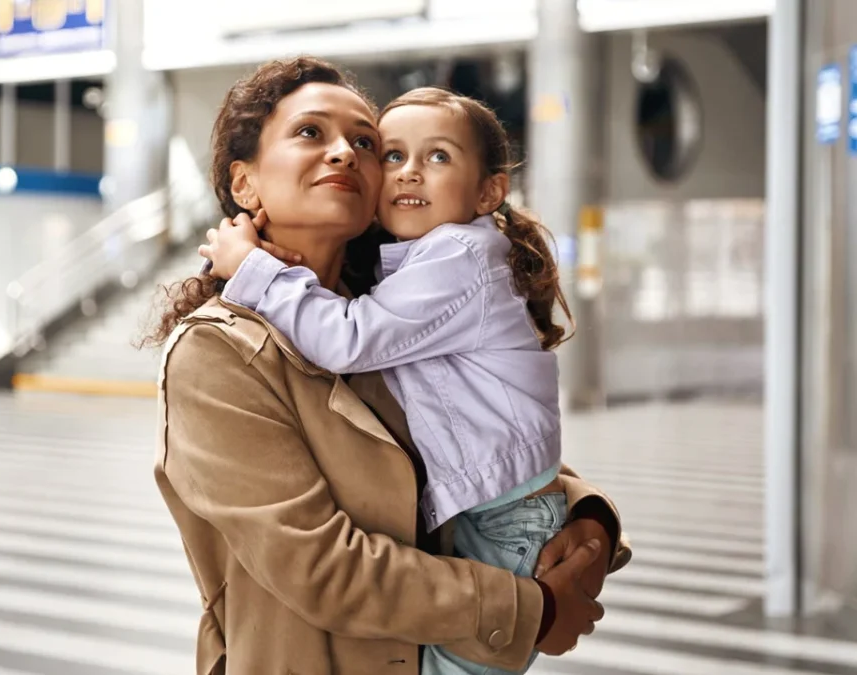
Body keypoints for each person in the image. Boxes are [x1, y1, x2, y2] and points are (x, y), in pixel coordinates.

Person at [149, 57, 631, 675]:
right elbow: (323, 567)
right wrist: (530, 611)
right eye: (309, 133)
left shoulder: (375, 315)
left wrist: (589, 522)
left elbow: (489, 445)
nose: (345, 153)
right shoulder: (219, 352)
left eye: (363, 142)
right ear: (245, 185)